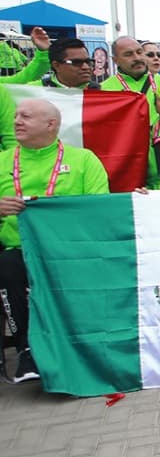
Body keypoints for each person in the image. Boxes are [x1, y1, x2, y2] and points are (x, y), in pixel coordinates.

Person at [0, 98, 110, 382]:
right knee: (7, 267)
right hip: (18, 250)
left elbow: (98, 209)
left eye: (26, 117)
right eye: (16, 116)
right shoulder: (2, 161)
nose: (17, 121)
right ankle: (26, 350)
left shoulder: (83, 160)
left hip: (70, 249)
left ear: (51, 124)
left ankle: (82, 348)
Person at [104, 36, 160, 119]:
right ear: (115, 60)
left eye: (139, 52)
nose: (137, 58)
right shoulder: (104, 90)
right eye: (128, 54)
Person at [32, 36, 98, 91]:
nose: (86, 67)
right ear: (56, 65)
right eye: (76, 62)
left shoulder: (101, 92)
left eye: (88, 62)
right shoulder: (34, 91)